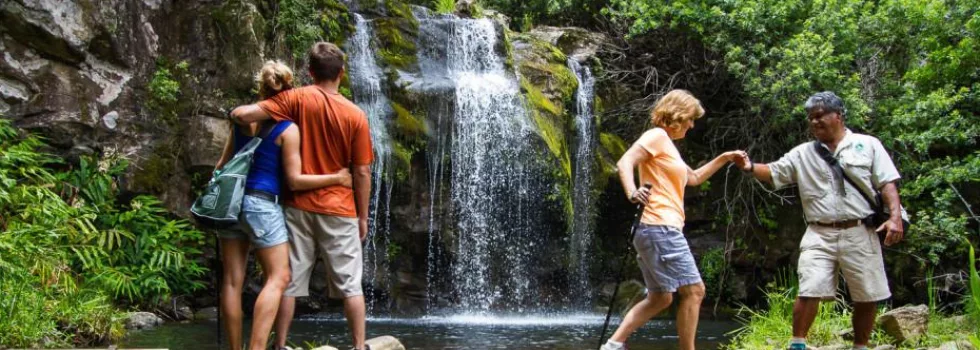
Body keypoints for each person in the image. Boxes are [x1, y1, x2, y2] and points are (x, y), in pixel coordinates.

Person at [230, 42, 374, 350]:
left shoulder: (296, 98)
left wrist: (237, 113)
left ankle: (280, 344)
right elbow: (362, 172)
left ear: (309, 72)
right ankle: (359, 346)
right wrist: (363, 216)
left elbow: (247, 115)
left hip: (297, 206)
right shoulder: (356, 115)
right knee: (351, 286)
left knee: (289, 283)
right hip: (340, 208)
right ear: (342, 74)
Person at [735, 91, 906, 350]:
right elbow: (774, 171)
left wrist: (895, 218)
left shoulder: (867, 144)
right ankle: (798, 344)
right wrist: (749, 167)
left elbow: (887, 183)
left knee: (867, 293)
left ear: (838, 116)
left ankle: (861, 345)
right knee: (809, 287)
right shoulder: (803, 153)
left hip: (859, 229)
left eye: (819, 116)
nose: (814, 122)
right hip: (819, 232)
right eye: (810, 118)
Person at [601, 89, 746, 350]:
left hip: (655, 230)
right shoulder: (656, 136)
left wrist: (725, 158)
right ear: (677, 114)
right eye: (690, 119)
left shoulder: (668, 145)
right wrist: (632, 192)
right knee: (694, 290)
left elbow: (694, 178)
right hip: (660, 228)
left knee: (660, 298)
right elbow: (625, 162)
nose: (691, 125)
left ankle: (613, 345)